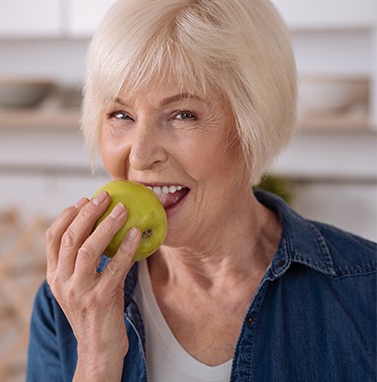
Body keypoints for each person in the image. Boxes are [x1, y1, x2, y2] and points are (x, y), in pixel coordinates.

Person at [26, 0, 376, 381]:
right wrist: (97, 358)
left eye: (183, 115)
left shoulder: (365, 290)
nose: (141, 156)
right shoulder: (69, 302)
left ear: (251, 125)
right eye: (121, 115)